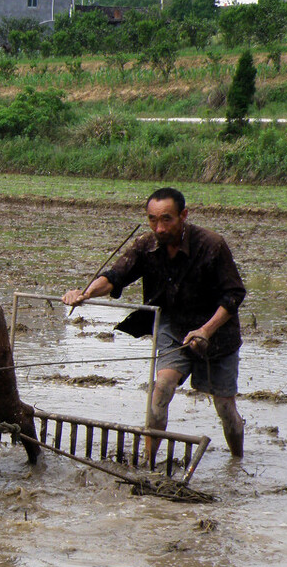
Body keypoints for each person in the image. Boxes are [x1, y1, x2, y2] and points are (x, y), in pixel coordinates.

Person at [61, 187, 247, 457]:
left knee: (224, 408)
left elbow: (234, 295)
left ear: (183, 215)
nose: (159, 228)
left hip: (216, 334)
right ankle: (148, 461)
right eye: (152, 220)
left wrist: (206, 330)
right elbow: (117, 275)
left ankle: (237, 462)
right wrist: (85, 293)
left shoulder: (211, 245)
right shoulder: (146, 246)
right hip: (173, 326)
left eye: (166, 219)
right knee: (161, 390)